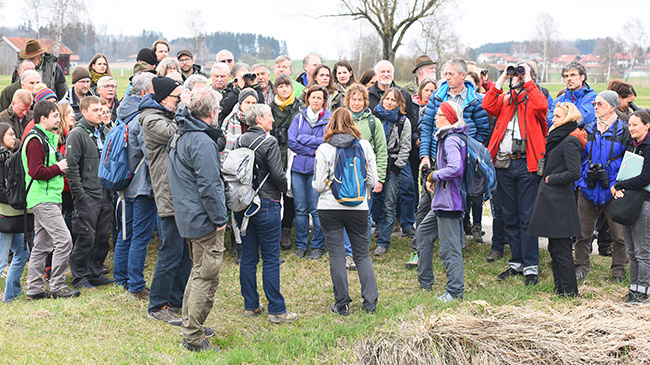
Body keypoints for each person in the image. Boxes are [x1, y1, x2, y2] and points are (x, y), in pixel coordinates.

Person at [167, 88, 227, 351]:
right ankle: (192, 336)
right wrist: (220, 218)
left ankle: (191, 325)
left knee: (198, 271)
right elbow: (210, 185)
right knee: (206, 277)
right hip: (203, 218)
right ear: (212, 113)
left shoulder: (181, 134)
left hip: (188, 214)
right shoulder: (201, 142)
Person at [482, 62, 548, 285]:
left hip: (526, 164)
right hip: (504, 164)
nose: (517, 77)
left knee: (527, 216)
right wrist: (501, 79)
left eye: (521, 73)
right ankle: (516, 263)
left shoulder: (534, 97)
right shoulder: (506, 99)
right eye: (516, 74)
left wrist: (528, 80)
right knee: (509, 215)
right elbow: (487, 104)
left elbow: (541, 108)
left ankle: (531, 266)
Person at [236, 104, 299, 324]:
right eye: (270, 116)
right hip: (266, 203)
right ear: (259, 119)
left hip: (243, 205)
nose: (272, 120)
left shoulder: (239, 140)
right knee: (271, 258)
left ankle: (250, 305)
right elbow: (277, 174)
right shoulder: (269, 141)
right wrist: (285, 190)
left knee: (248, 257)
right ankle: (277, 310)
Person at [313, 108, 379, 315]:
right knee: (362, 255)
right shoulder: (364, 146)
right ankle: (370, 303)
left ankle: (342, 304)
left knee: (337, 255)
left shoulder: (325, 148)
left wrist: (330, 183)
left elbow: (317, 185)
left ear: (331, 123)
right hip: (359, 207)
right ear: (353, 123)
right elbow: (373, 181)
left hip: (329, 208)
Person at [139, 76, 192, 325]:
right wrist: (184, 108)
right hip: (168, 193)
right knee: (170, 250)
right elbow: (174, 133)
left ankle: (176, 299)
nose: (181, 101)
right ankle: (157, 305)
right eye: (177, 97)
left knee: (183, 252)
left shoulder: (166, 114)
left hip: (180, 192)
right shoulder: (151, 119)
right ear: (163, 99)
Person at [419, 58, 490, 240]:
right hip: (438, 156)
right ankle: (419, 245)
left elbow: (483, 130)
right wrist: (425, 156)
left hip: (463, 161)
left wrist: (469, 151)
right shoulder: (437, 97)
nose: (446, 77)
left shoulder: (474, 100)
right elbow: (427, 127)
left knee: (459, 201)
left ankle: (454, 243)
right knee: (427, 200)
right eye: (445, 74)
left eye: (450, 74)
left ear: (462, 75)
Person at [528, 102, 586, 297]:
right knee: (555, 248)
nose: (553, 119)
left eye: (558, 116)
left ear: (568, 118)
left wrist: (551, 179)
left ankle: (569, 292)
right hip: (552, 200)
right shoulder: (558, 138)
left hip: (560, 202)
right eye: (554, 115)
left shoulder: (570, 141)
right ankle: (560, 289)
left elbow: (574, 173)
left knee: (561, 249)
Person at [23, 100, 79, 300]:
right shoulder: (35, 140)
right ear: (43, 118)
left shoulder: (45, 139)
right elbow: (35, 171)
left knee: (42, 245)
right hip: (43, 199)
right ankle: (57, 285)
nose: (59, 118)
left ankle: (34, 289)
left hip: (48, 197)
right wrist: (59, 168)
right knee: (64, 240)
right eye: (55, 116)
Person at [574, 90, 630, 282]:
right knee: (582, 233)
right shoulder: (587, 130)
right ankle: (581, 266)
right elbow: (578, 157)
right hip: (588, 188)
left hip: (614, 190)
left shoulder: (624, 131)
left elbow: (629, 161)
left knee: (619, 235)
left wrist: (619, 183)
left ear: (611, 107)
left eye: (599, 104)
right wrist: (582, 179)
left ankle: (619, 271)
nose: (595, 107)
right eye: (594, 104)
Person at [416, 101, 468, 302]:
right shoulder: (447, 137)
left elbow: (456, 168)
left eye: (439, 114)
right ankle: (425, 281)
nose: (435, 117)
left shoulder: (450, 140)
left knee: (449, 248)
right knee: (423, 232)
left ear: (449, 118)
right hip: (442, 200)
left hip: (449, 203)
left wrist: (433, 176)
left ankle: (455, 292)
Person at [112, 72, 157, 300]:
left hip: (126, 182)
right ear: (144, 92)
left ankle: (121, 278)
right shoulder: (143, 117)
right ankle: (136, 285)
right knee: (140, 236)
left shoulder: (124, 112)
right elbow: (150, 155)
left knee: (125, 233)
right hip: (143, 185)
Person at [66, 96, 113, 289]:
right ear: (84, 112)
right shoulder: (77, 134)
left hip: (105, 192)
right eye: (95, 110)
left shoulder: (103, 132)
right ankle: (80, 276)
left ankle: (95, 271)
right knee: (86, 236)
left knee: (103, 236)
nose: (100, 113)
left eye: (101, 110)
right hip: (88, 194)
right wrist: (80, 194)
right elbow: (71, 167)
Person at [368, 60, 418, 239]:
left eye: (389, 71)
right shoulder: (369, 95)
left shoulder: (404, 93)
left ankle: (406, 223)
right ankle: (380, 223)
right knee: (379, 192)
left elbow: (411, 120)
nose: (386, 74)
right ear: (376, 74)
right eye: (382, 71)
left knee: (408, 188)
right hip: (379, 157)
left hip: (399, 155)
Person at [341, 84, 387, 269]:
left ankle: (360, 252)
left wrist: (379, 178)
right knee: (346, 214)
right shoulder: (341, 119)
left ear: (365, 101)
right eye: (354, 99)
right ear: (348, 100)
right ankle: (348, 254)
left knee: (364, 215)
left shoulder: (373, 122)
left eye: (360, 99)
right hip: (344, 174)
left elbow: (382, 151)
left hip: (365, 176)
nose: (357, 103)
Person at [611, 110, 650, 303]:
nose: (631, 128)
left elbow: (645, 177)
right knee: (632, 250)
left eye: (635, 124)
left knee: (643, 251)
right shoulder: (633, 145)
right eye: (629, 125)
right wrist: (617, 186)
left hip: (644, 203)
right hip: (630, 201)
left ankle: (643, 291)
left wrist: (620, 185)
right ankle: (634, 289)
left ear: (647, 125)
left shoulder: (648, 147)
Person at [288, 85, 330, 259]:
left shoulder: (329, 118)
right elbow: (292, 141)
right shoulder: (299, 117)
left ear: (324, 101)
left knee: (316, 209)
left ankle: (317, 246)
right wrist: (312, 149)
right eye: (313, 97)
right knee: (300, 209)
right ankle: (301, 244)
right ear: (308, 99)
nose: (316, 101)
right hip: (298, 169)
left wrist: (304, 139)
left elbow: (326, 141)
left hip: (317, 168)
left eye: (319, 98)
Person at [373, 87, 411, 256]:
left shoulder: (403, 121)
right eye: (387, 99)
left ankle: (383, 241)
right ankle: (373, 230)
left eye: (393, 100)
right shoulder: (374, 118)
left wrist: (397, 168)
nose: (389, 102)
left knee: (389, 203)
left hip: (392, 165)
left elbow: (405, 146)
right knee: (373, 202)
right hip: (373, 165)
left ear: (399, 103)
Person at [269, 75, 302, 250]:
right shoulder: (269, 108)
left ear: (292, 88)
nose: (284, 89)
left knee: (290, 195)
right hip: (273, 154)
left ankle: (286, 230)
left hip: (292, 155)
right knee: (273, 194)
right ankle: (273, 229)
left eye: (287, 86)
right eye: (280, 86)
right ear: (275, 89)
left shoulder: (299, 108)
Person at [0, 123, 31, 302]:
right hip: (4, 215)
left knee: (22, 253)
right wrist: (16, 197)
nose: (14, 137)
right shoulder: (1, 160)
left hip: (16, 213)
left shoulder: (12, 157)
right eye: (10, 134)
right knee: (2, 260)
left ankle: (11, 293)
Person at [548, 61, 597, 128]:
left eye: (573, 75)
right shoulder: (559, 100)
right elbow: (550, 122)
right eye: (566, 76)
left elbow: (582, 120)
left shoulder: (592, 98)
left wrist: (560, 121)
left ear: (582, 77)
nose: (569, 79)